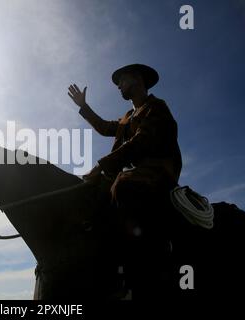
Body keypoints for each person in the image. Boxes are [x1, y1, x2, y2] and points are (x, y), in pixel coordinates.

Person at [68, 64, 183, 298]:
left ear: (138, 79)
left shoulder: (156, 108)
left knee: (122, 184)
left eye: (122, 80)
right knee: (92, 193)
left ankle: (151, 258)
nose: (118, 85)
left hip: (158, 174)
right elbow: (103, 127)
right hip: (133, 175)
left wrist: (100, 166)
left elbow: (141, 142)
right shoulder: (127, 118)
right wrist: (84, 107)